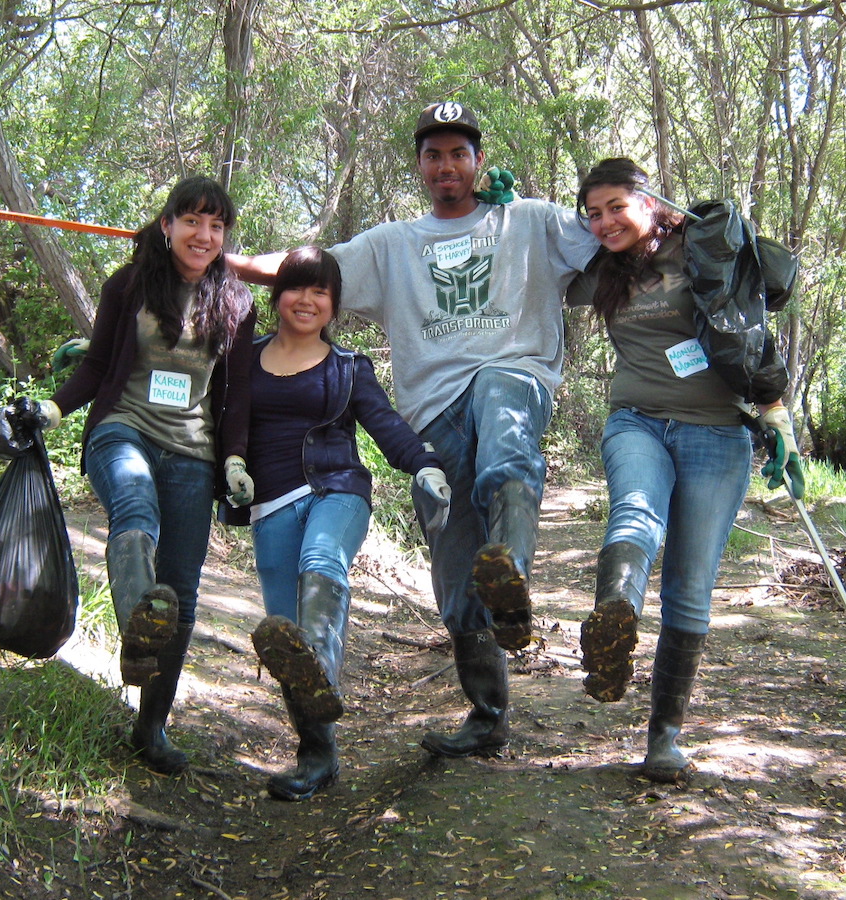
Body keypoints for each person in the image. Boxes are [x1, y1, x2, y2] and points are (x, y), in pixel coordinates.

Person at [229, 101, 599, 759]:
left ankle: (512, 569)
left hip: (513, 380)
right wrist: (222, 259)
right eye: (434, 154)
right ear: (421, 167)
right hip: (432, 414)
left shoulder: (532, 220)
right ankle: (488, 714)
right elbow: (305, 269)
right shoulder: (391, 244)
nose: (447, 165)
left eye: (460, 152)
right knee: (457, 579)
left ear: (479, 161)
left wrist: (677, 226)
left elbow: (614, 232)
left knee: (499, 413)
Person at [566, 157, 801, 782]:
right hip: (635, 418)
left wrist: (777, 412)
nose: (605, 221)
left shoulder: (703, 250)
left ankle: (663, 738)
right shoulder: (597, 269)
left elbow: (748, 322)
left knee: (690, 589)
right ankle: (614, 614)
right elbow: (532, 258)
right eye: (593, 213)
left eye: (617, 206)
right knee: (635, 505)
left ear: (649, 200)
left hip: (717, 434)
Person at [13, 175, 257, 774]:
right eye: (192, 220)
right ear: (168, 224)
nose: (204, 235)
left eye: (216, 225)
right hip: (122, 429)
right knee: (134, 510)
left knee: (183, 590)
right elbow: (98, 365)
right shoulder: (128, 284)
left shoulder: (236, 301)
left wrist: (233, 458)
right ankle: (136, 632)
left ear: (224, 236)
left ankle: (151, 727)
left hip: (194, 454)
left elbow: (235, 393)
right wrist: (52, 408)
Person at [222, 246, 451, 800]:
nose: (308, 300)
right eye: (298, 287)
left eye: (321, 291)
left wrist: (424, 464)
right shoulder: (243, 360)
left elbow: (385, 423)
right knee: (286, 630)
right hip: (269, 505)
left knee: (322, 564)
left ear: (334, 305)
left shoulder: (348, 368)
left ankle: (322, 676)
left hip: (337, 490)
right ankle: (317, 754)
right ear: (277, 297)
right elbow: (215, 413)